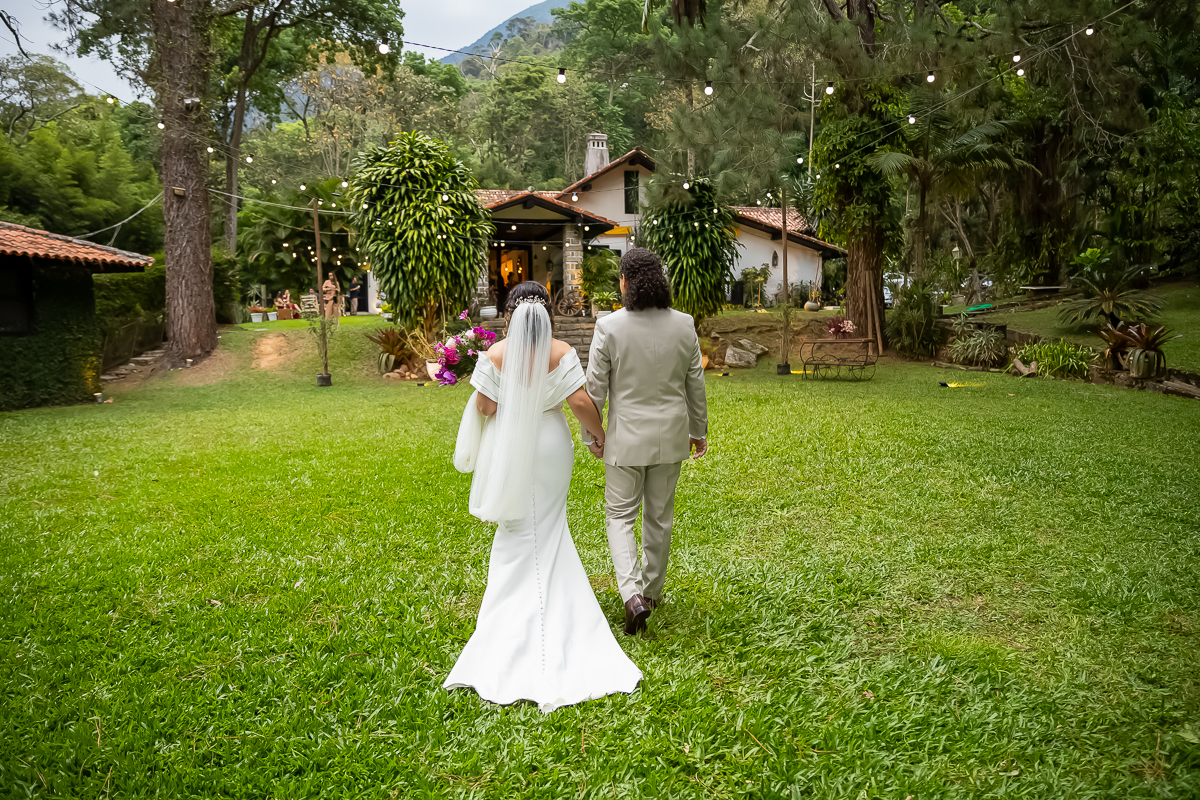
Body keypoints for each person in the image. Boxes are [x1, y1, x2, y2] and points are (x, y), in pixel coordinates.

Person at [446, 281, 642, 712]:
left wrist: (511, 399)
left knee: (516, 528)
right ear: (546, 312)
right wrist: (600, 435)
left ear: (511, 313)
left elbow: (485, 409)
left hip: (514, 445)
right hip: (552, 445)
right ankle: (562, 616)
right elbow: (578, 400)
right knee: (550, 527)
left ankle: (507, 626)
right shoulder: (560, 351)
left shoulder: (495, 353)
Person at [585, 248, 708, 635]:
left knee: (620, 516)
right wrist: (698, 431)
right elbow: (696, 384)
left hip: (624, 440)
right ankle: (652, 592)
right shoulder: (684, 324)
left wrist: (594, 435)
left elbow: (595, 390)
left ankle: (631, 594)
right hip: (671, 437)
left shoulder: (608, 327)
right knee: (659, 517)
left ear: (625, 282)